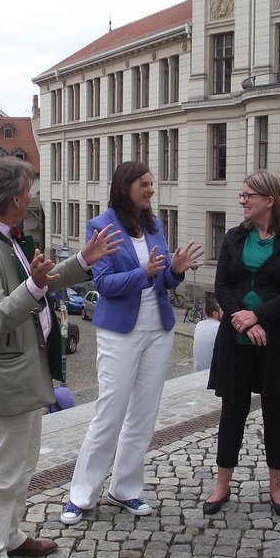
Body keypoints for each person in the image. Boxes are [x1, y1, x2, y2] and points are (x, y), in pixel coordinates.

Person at [0, 157, 121, 558]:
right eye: (28, 190)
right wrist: (32, 286)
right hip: (6, 374)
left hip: (27, 368)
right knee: (0, 466)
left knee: (24, 461)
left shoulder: (7, 234)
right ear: (15, 199)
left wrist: (82, 260)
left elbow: (40, 280)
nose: (32, 196)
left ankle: (10, 536)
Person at [60, 161, 203, 526]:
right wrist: (145, 272)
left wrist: (176, 269)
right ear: (125, 187)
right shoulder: (101, 225)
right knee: (110, 412)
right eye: (144, 184)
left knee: (143, 414)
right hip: (119, 332)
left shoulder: (154, 225)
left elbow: (164, 280)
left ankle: (125, 488)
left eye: (152, 184)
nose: (151, 189)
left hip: (159, 330)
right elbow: (104, 285)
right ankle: (81, 494)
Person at [202, 170, 280, 518]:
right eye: (242, 195)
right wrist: (241, 318)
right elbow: (222, 286)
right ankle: (222, 485)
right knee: (232, 411)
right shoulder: (234, 237)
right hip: (235, 340)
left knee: (275, 412)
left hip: (277, 340)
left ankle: (276, 488)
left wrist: (259, 316)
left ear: (270, 200)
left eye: (248, 195)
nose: (242, 201)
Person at [192, 298, 223, 372]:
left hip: (197, 370)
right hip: (213, 372)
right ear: (215, 313)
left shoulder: (199, 325)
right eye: (222, 310)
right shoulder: (219, 327)